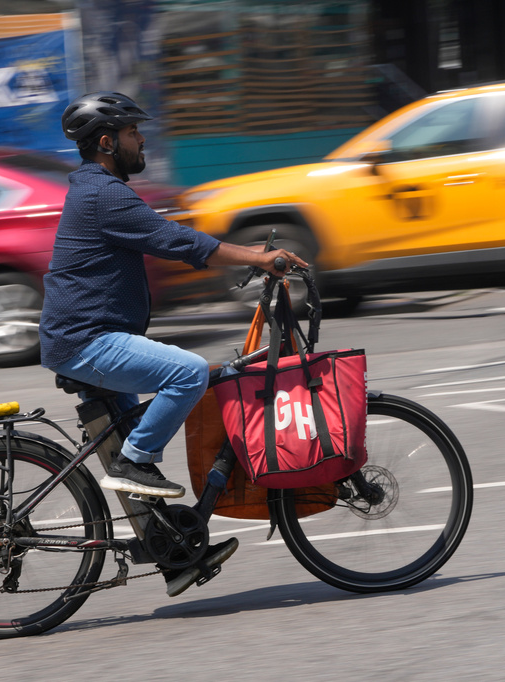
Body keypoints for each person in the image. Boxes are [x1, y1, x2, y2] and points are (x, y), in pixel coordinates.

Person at [40, 91, 307, 596]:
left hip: (93, 338)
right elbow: (177, 241)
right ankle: (135, 460)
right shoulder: (104, 194)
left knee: (162, 405)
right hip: (86, 342)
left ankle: (176, 557)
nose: (141, 139)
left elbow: (175, 243)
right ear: (106, 142)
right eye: (132, 133)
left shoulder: (98, 189)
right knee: (186, 373)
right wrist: (255, 256)